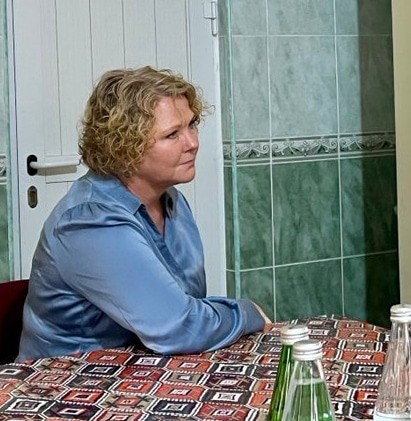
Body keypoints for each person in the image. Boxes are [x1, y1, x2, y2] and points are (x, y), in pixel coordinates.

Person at [17, 66, 270, 362]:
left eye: (192, 125)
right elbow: (177, 327)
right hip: (68, 378)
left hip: (147, 367)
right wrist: (246, 312)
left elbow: (184, 307)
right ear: (124, 147)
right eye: (172, 134)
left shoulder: (172, 200)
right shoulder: (89, 220)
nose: (192, 143)